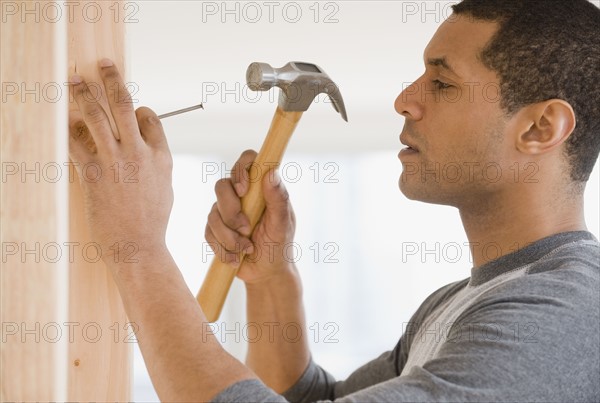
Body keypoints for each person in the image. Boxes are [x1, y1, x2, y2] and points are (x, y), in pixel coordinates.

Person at [68, 0, 600, 401]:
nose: (404, 100)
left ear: (539, 127)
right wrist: (271, 279)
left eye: (441, 82)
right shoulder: (459, 304)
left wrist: (135, 244)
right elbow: (315, 400)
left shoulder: (559, 319)